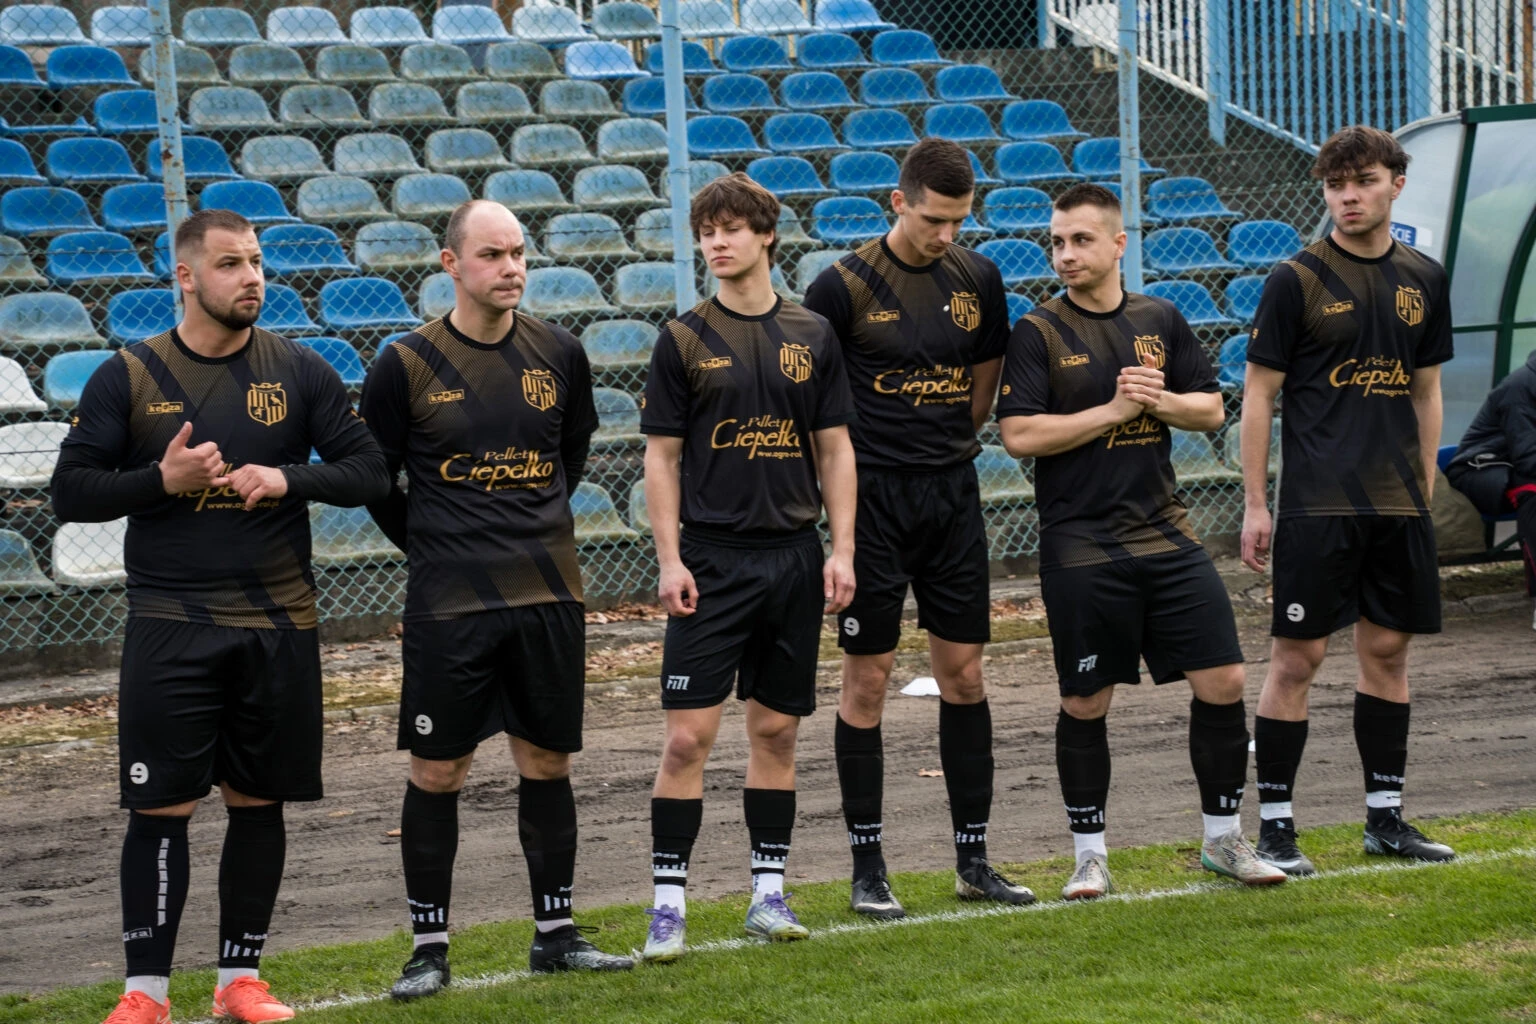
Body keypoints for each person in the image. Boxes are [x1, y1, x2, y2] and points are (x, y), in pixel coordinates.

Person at [51, 209, 392, 1024]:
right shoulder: (129, 376)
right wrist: (159, 481)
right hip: (170, 623)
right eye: (232, 264)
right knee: (159, 808)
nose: (252, 279)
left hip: (278, 623)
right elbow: (70, 493)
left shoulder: (300, 369)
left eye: (257, 262)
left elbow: (371, 471)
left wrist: (286, 478)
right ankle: (145, 995)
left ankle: (242, 980)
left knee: (257, 802)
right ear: (185, 276)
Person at [359, 200, 632, 1001]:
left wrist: (524, 527)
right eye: (492, 255)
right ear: (451, 264)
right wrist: (437, 542)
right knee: (439, 771)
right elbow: (377, 481)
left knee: (547, 762)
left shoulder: (561, 352)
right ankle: (428, 951)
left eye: (518, 253)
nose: (511, 268)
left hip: (547, 591)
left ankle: (557, 934)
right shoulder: (404, 364)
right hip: (449, 603)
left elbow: (569, 458)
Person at [997, 184, 1285, 899]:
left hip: (1166, 532)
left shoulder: (1161, 318)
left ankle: (1223, 840)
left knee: (1224, 681)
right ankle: (1089, 856)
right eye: (1057, 242)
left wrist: (1158, 401)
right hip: (1080, 543)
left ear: (1119, 244)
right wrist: (1113, 410)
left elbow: (1210, 410)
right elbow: (1019, 434)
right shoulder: (1037, 331)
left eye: (1081, 240)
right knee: (1086, 699)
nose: (1065, 254)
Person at [801, 137, 1028, 919]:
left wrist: (941, 446)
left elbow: (983, 386)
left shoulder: (979, 278)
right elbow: (817, 408)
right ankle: (868, 870)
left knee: (964, 676)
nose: (946, 234)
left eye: (959, 221)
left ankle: (974, 860)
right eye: (933, 219)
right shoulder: (840, 287)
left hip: (952, 496)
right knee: (867, 680)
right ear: (898, 202)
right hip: (873, 505)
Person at [638, 173, 858, 961]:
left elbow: (835, 450)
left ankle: (768, 895)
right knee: (686, 740)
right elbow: (661, 459)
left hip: (792, 558)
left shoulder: (812, 334)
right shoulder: (683, 338)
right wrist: (669, 558)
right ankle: (669, 908)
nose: (717, 242)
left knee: (775, 732)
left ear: (766, 235)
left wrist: (842, 548)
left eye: (731, 228)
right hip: (711, 561)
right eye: (707, 232)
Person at [1241, 125, 1456, 875]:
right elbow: (1258, 397)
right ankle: (1276, 828)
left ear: (1397, 183)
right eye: (1336, 185)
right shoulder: (1295, 279)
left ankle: (1385, 820)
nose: (1348, 197)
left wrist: (1424, 480)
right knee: (1296, 659)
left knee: (1388, 652)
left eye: (1363, 181)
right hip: (1317, 503)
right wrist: (1257, 503)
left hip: (1397, 504)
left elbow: (1426, 390)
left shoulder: (1424, 278)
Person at [1445, 349, 1536, 621]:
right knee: (1532, 491)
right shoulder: (1519, 388)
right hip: (1482, 472)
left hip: (1517, 470)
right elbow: (1528, 457)